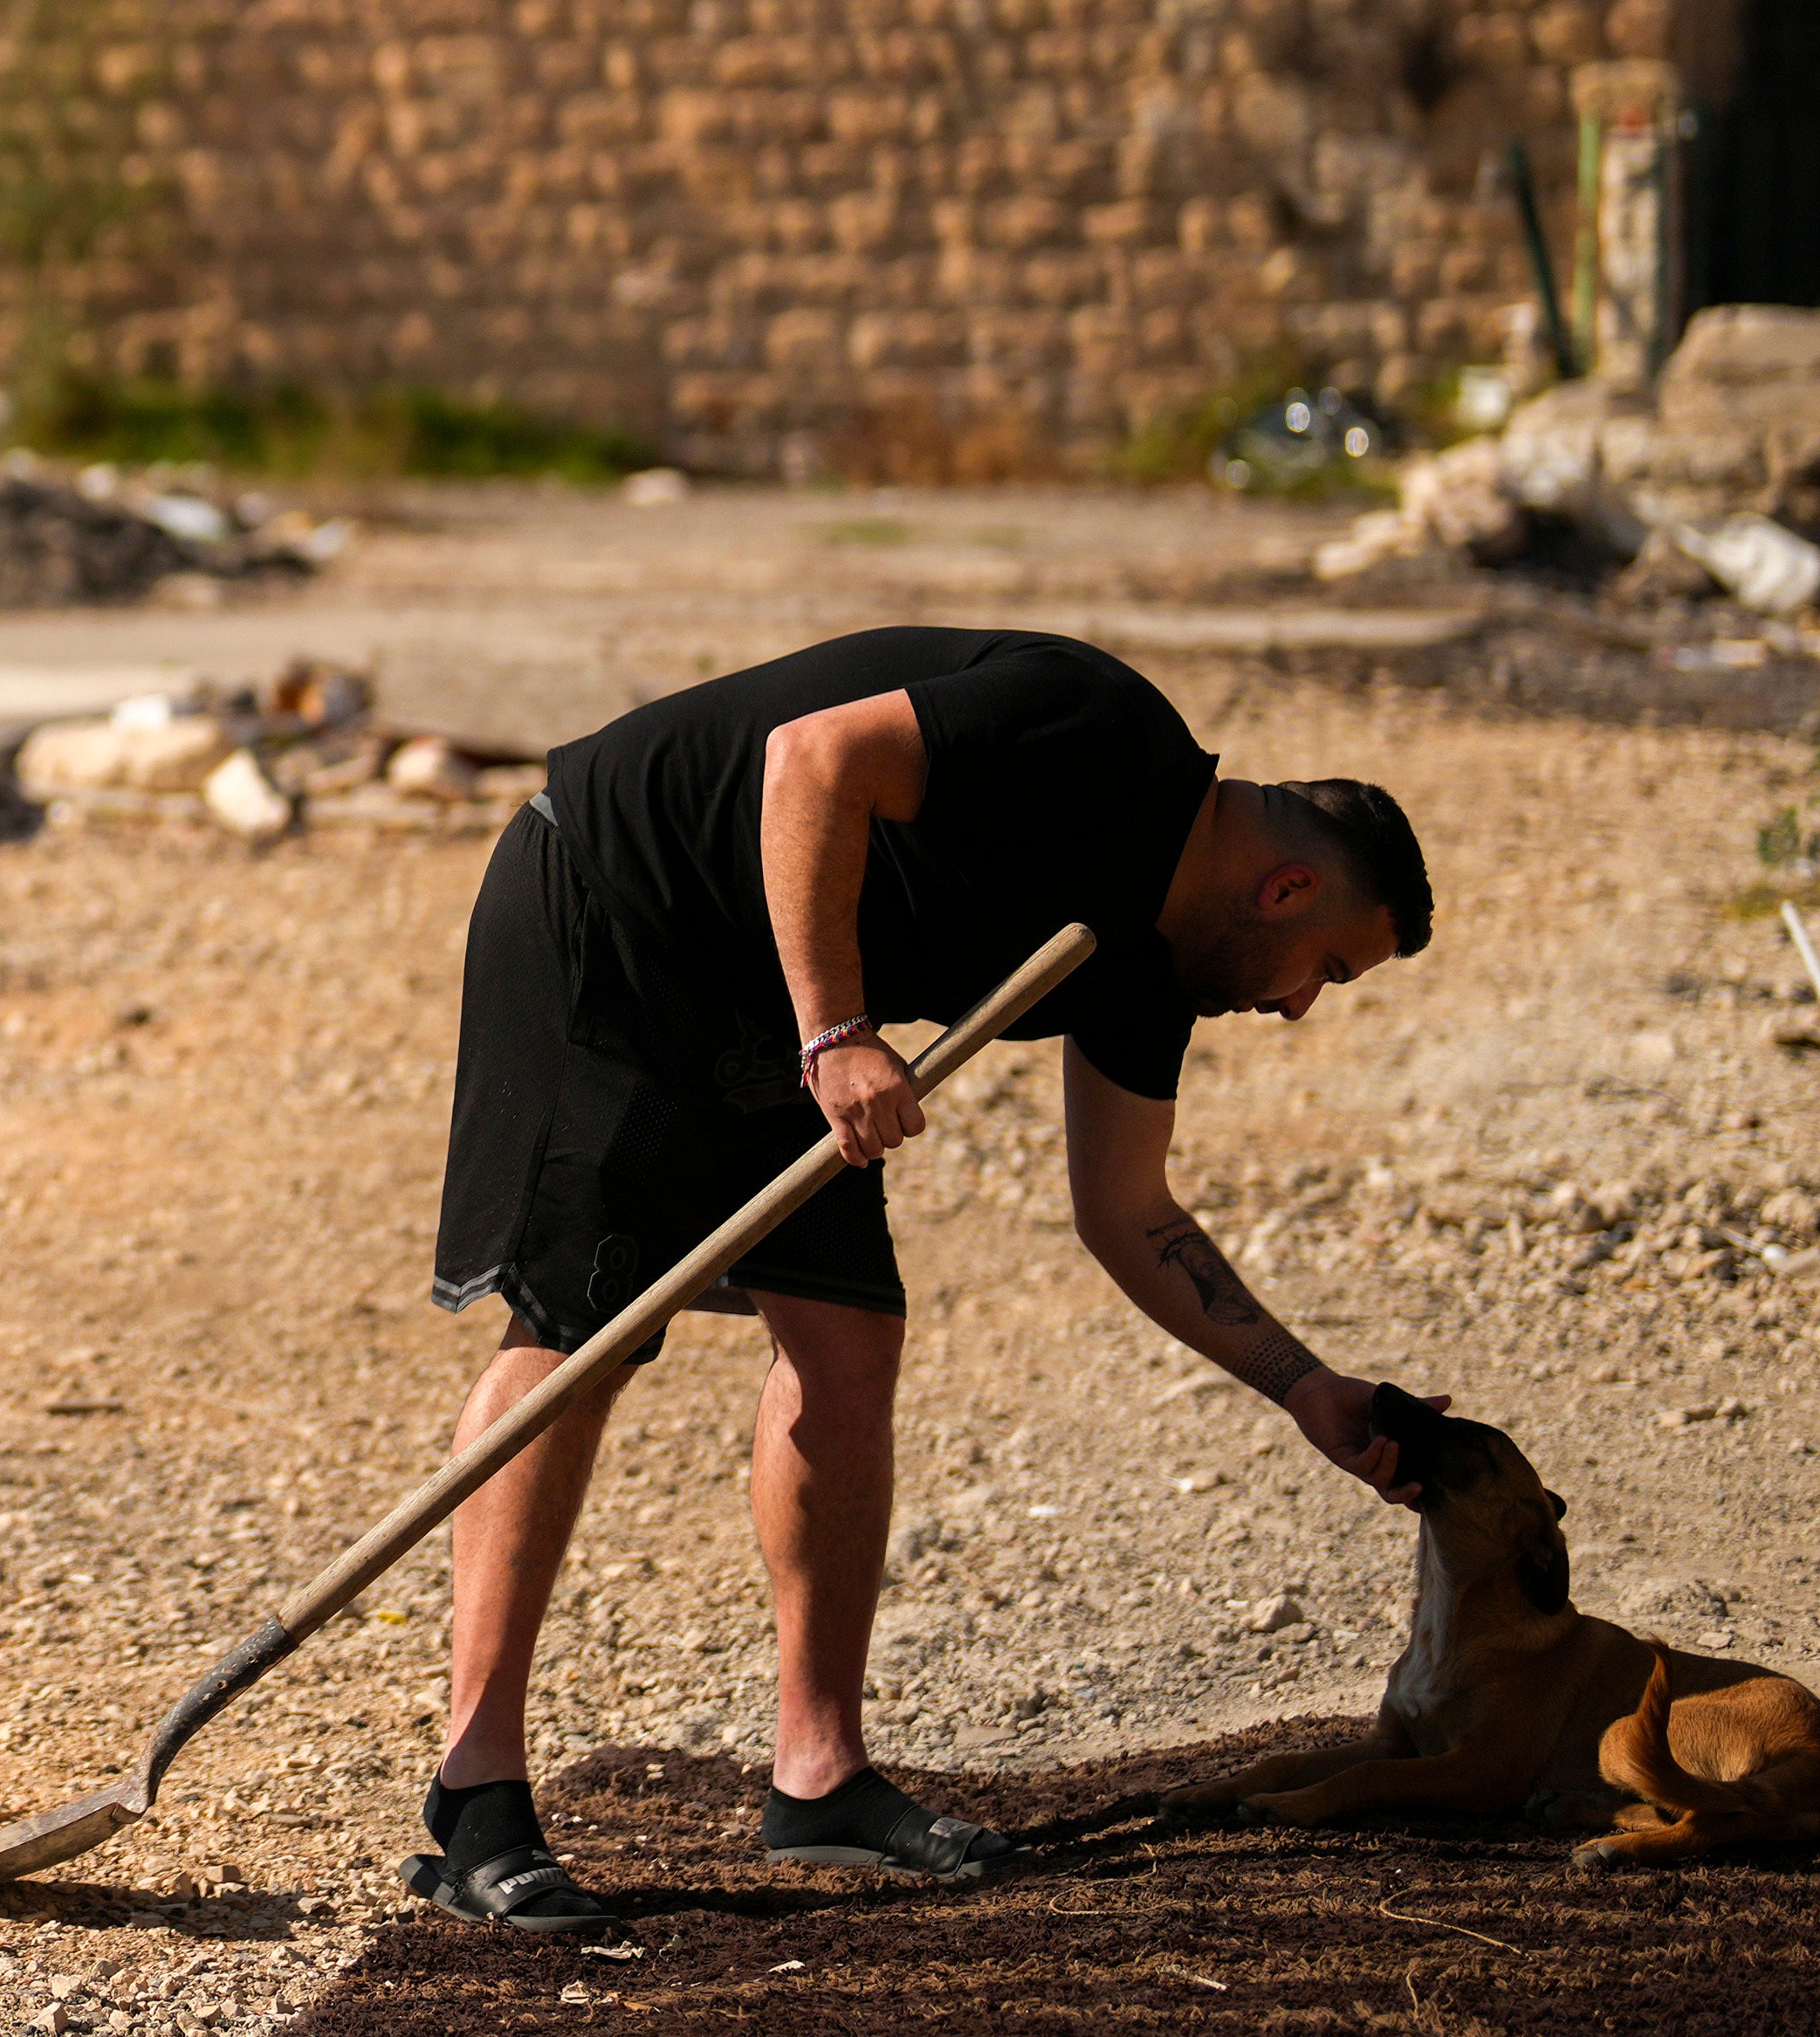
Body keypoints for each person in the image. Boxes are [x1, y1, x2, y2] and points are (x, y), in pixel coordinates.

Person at [403, 626, 1433, 1933]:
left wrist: (1306, 1387)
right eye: (1330, 972)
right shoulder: (1099, 730)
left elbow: (1129, 1214)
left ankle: (818, 1775)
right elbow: (815, 757)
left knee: (845, 1344)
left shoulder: (1148, 964)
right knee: (583, 1331)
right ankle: (477, 1792)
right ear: (1286, 890)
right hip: (627, 895)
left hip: (777, 976)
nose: (1300, 1007)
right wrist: (835, 1031)